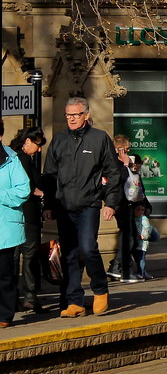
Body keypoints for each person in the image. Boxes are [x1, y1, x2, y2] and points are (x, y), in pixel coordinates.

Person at [42, 97, 124, 318]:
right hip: (64, 205)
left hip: (89, 203)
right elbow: (49, 175)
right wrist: (49, 204)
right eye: (68, 115)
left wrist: (111, 203)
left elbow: (113, 172)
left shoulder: (99, 139)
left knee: (88, 248)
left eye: (75, 114)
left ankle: (100, 289)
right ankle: (75, 301)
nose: (71, 118)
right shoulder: (59, 140)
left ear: (86, 115)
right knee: (68, 254)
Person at [10, 127, 47, 313]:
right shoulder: (23, 159)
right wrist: (43, 194)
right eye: (37, 145)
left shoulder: (12, 157)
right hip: (27, 214)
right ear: (27, 142)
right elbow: (27, 187)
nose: (39, 149)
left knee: (15, 256)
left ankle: (13, 297)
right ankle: (30, 297)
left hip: (14, 215)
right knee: (29, 255)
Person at [0, 121, 31, 328]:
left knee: (4, 273)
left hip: (4, 227)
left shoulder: (11, 158)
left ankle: (4, 314)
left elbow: (23, 189)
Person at [107, 134, 142, 283]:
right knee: (128, 236)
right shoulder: (114, 162)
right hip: (119, 201)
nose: (127, 152)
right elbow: (117, 179)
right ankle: (118, 267)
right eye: (125, 149)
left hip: (127, 201)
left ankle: (120, 266)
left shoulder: (123, 162)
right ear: (118, 149)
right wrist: (126, 165)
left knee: (130, 235)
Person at [131, 203, 157, 281]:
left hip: (142, 243)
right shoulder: (133, 218)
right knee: (137, 258)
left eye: (142, 210)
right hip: (135, 242)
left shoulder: (144, 219)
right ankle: (142, 272)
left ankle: (141, 273)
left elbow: (147, 228)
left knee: (141, 258)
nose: (140, 212)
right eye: (138, 210)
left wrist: (144, 236)